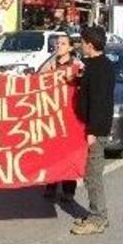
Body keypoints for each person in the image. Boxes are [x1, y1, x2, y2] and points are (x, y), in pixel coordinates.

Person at [71, 25, 115, 236]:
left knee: (93, 175)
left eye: (82, 42)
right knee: (90, 174)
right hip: (93, 128)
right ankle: (94, 213)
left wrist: (93, 132)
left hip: (96, 131)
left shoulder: (100, 69)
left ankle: (99, 218)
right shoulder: (96, 65)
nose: (80, 45)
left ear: (90, 44)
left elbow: (99, 102)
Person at [40, 34, 81, 203]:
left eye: (63, 44)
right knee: (52, 152)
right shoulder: (50, 64)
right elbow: (37, 82)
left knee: (68, 153)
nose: (59, 46)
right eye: (57, 44)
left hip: (71, 117)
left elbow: (81, 85)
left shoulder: (77, 65)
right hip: (53, 117)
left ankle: (68, 190)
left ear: (70, 48)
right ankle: (51, 185)